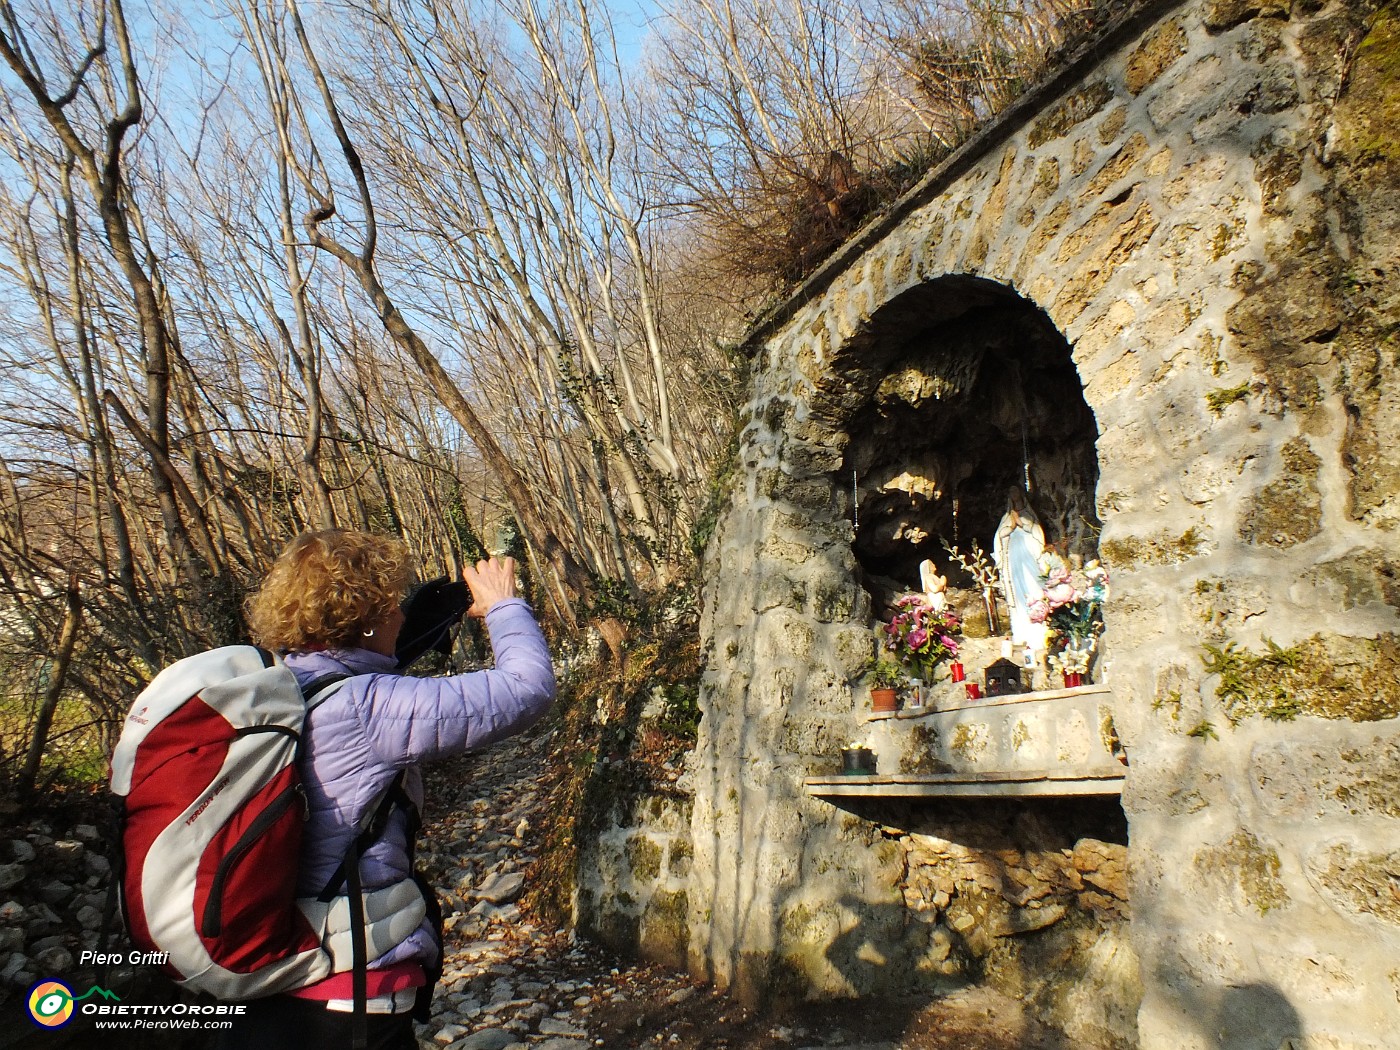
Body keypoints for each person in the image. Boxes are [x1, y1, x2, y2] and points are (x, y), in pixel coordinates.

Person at [216, 529, 555, 1049]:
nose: (400, 613)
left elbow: (358, 681)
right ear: (366, 617)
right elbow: (525, 689)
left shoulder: (284, 688)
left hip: (270, 986)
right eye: (392, 604)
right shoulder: (366, 708)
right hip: (348, 993)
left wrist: (424, 625)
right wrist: (504, 607)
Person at [993, 490, 1049, 653]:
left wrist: (1022, 523)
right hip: (1014, 563)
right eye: (1011, 493)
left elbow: (1038, 534)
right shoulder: (1007, 518)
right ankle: (1022, 633)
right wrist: (1011, 526)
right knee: (1018, 595)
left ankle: (1039, 634)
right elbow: (999, 537)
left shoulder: (1029, 515)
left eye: (1015, 492)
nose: (1014, 495)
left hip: (1030, 559)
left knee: (1034, 590)